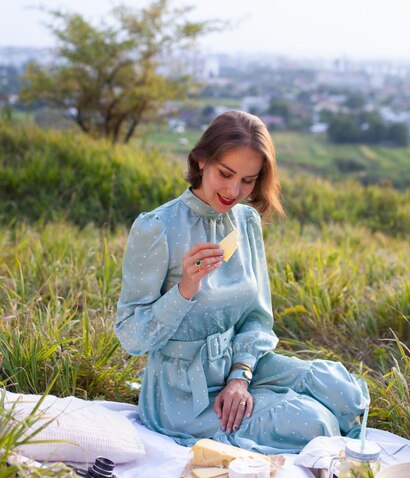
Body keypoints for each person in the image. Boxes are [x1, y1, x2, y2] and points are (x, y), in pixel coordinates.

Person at [114, 110, 369, 454]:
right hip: (184, 392)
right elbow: (130, 334)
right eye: (226, 173)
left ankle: (276, 407)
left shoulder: (246, 221)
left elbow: (257, 318)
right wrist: (185, 289)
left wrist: (240, 376)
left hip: (239, 363)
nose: (234, 190)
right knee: (314, 421)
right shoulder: (157, 227)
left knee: (345, 393)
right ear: (202, 160)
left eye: (248, 180)